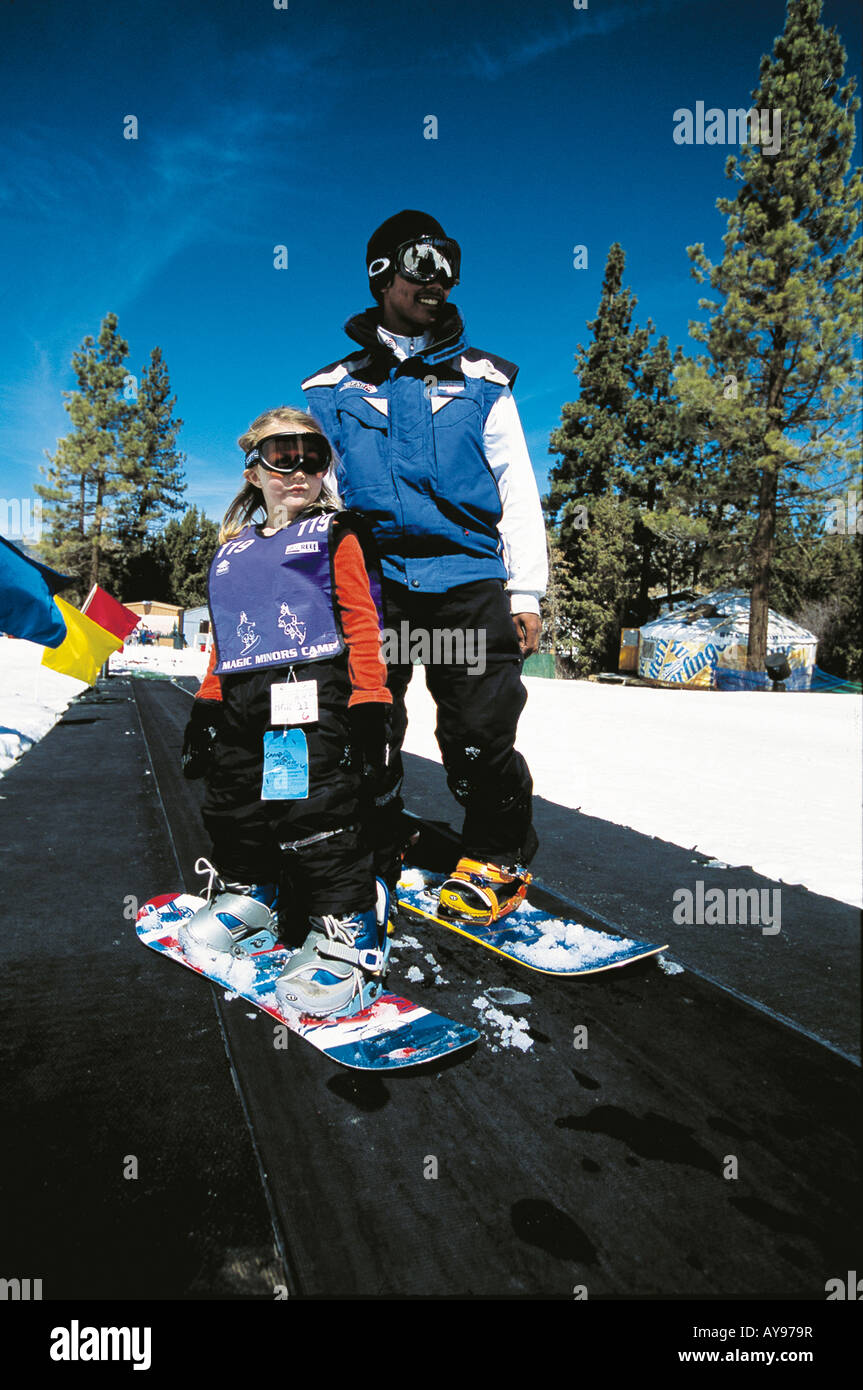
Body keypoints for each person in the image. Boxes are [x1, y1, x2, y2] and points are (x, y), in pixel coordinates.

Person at [302, 210, 548, 924]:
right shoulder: (332, 390)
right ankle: (379, 833)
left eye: (450, 265)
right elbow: (323, 491)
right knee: (367, 723)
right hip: (376, 586)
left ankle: (497, 856)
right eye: (423, 262)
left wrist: (524, 589)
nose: (440, 279)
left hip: (466, 584)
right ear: (381, 273)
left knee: (474, 731)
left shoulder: (482, 381)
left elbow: (516, 489)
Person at [179, 406, 394, 1017]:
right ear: (254, 471)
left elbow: (361, 619)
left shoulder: (335, 533)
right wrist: (208, 701)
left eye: (313, 458)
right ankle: (253, 899)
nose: (298, 471)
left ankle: (348, 931)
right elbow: (227, 634)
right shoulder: (232, 551)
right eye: (282, 457)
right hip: (244, 695)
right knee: (235, 801)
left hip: (308, 693)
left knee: (313, 808)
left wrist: (372, 699)